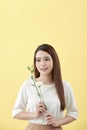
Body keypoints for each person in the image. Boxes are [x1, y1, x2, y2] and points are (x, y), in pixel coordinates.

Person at [12, 43, 78, 130]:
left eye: (46, 59)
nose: (42, 64)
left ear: (54, 61)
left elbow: (73, 113)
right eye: (38, 60)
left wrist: (58, 122)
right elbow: (16, 112)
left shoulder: (65, 86)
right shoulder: (28, 85)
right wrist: (34, 115)